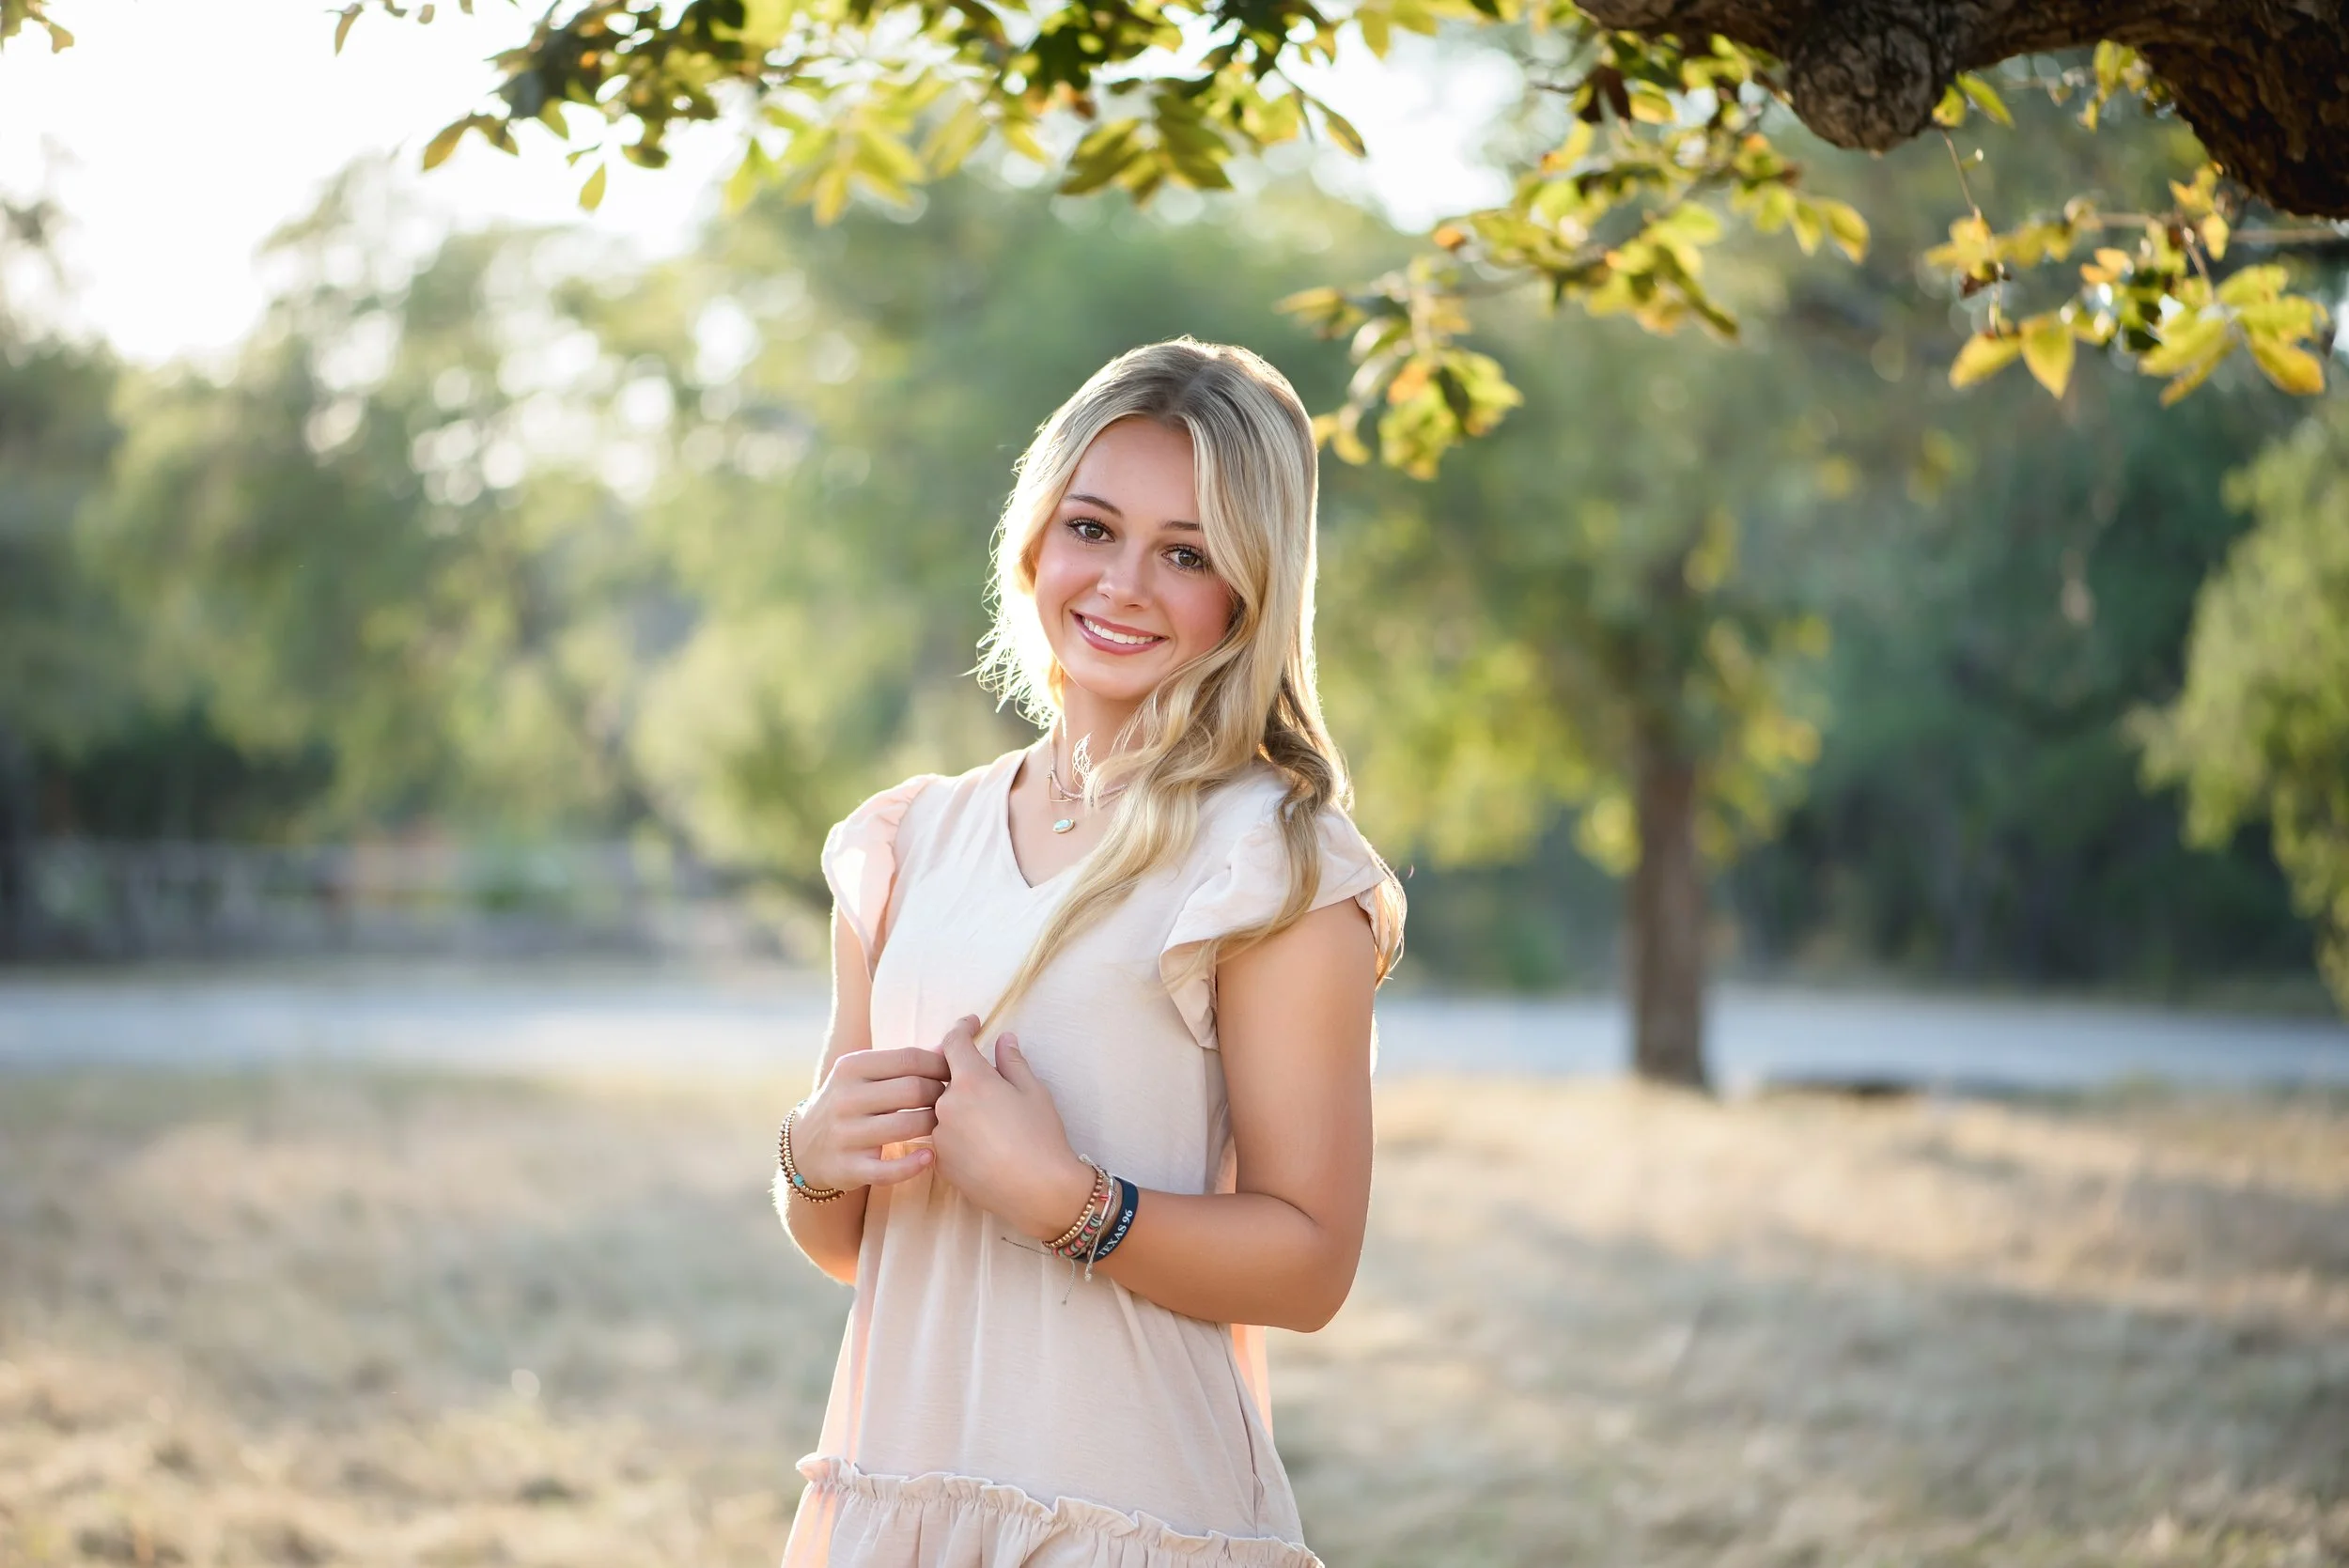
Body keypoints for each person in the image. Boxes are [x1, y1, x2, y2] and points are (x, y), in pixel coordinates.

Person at [773, 337, 1407, 1568]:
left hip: (1128, 1517)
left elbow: (1312, 1264)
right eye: (1093, 528)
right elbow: (852, 1241)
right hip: (898, 1500)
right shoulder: (908, 842)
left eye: (1187, 553)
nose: (1123, 584)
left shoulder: (1272, 863)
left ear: (1249, 590)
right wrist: (806, 1154)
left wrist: (1071, 1202)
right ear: (1032, 539)